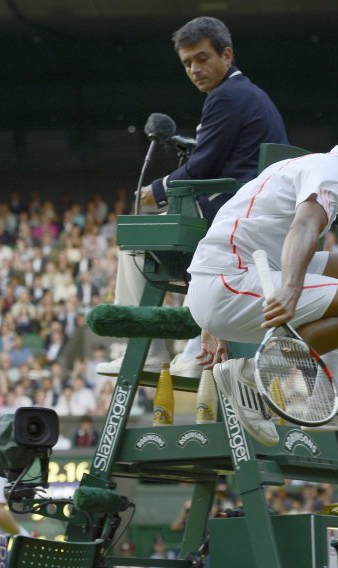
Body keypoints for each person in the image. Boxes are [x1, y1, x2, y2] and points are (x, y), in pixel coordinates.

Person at [186, 121, 338, 445]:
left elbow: (235, 221)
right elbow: (302, 228)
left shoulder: (306, 165)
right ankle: (249, 376)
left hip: (226, 279)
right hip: (227, 284)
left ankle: (325, 399)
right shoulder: (336, 174)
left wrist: (209, 326)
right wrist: (291, 288)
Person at [98, 16, 288, 379]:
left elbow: (201, 170)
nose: (194, 69)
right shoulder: (251, 95)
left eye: (202, 58)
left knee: (136, 243)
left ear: (227, 54)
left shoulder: (226, 97)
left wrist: (153, 193)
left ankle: (141, 352)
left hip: (231, 213)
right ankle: (191, 353)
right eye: (187, 63)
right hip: (252, 215)